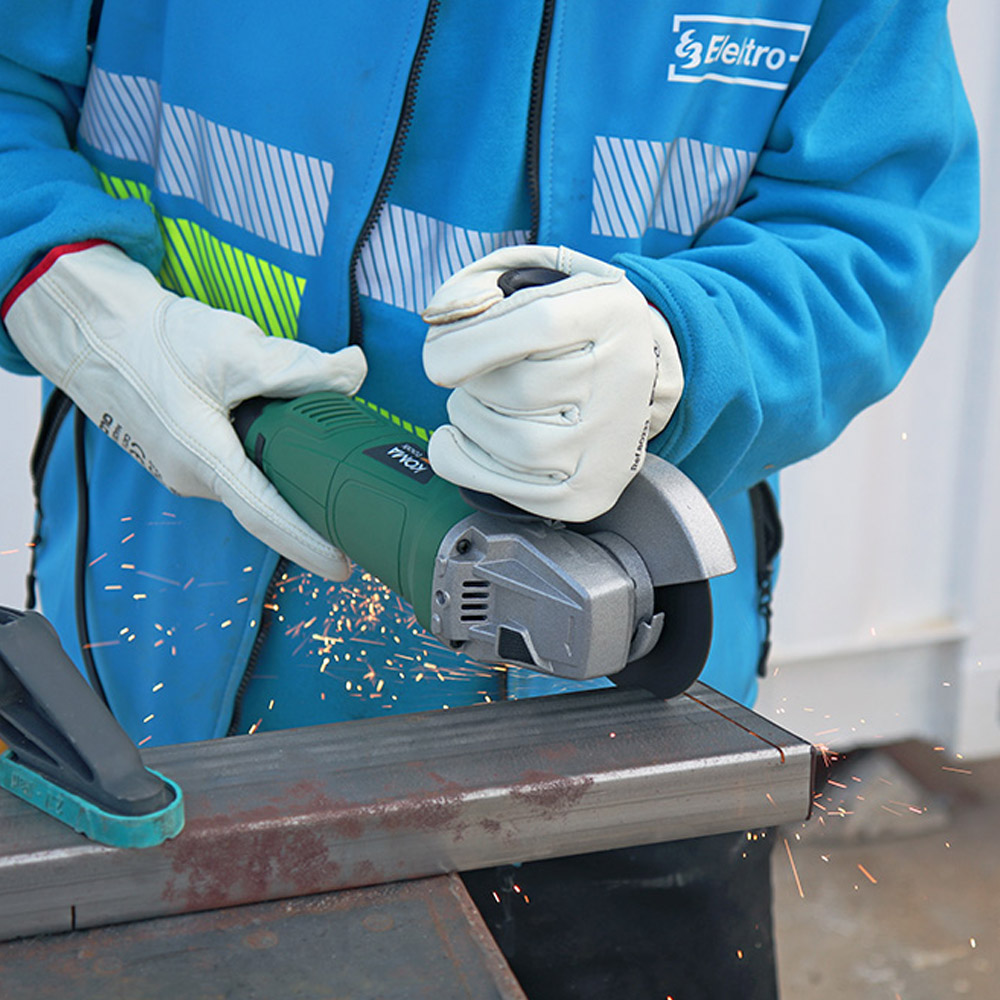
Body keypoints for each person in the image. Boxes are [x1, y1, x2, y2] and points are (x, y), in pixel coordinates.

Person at [0, 2, 978, 996]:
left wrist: (683, 347)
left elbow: (871, 222)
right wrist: (56, 278)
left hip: (628, 738)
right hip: (163, 694)